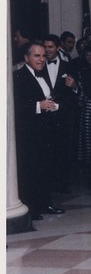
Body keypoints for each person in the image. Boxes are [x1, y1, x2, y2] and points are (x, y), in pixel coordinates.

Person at [13, 42, 66, 220]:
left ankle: (44, 203)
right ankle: (31, 207)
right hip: (29, 133)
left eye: (43, 56)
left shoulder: (43, 77)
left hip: (45, 131)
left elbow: (46, 99)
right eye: (37, 56)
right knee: (30, 170)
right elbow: (15, 105)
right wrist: (38, 105)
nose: (41, 59)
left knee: (44, 168)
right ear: (26, 58)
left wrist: (52, 106)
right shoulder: (18, 77)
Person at [42, 34, 80, 193]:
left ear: (58, 48)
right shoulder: (39, 64)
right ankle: (47, 184)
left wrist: (74, 86)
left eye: (50, 47)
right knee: (46, 150)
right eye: (45, 47)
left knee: (63, 150)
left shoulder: (68, 65)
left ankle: (63, 184)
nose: (47, 50)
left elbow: (77, 91)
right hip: (44, 115)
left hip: (63, 115)